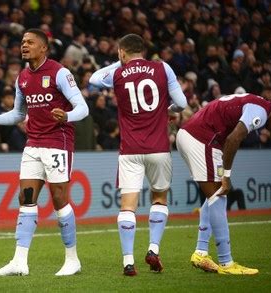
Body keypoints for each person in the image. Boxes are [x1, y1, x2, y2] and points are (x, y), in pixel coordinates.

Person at [0, 28, 89, 276]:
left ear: (43, 47)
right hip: (33, 144)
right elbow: (19, 115)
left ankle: (72, 259)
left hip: (58, 142)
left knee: (59, 199)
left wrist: (67, 115)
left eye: (30, 42)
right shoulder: (23, 78)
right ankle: (19, 262)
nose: (24, 45)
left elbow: (83, 108)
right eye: (22, 42)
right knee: (26, 198)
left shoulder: (60, 73)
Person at [89, 33, 187, 275]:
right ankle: (153, 249)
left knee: (127, 207)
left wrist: (120, 63)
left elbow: (93, 78)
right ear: (143, 50)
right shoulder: (163, 68)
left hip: (130, 151)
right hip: (159, 148)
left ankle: (128, 262)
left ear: (122, 52)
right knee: (159, 199)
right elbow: (182, 103)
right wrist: (168, 110)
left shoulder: (117, 73)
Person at [176, 93, 271, 275]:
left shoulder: (258, 103)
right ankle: (226, 263)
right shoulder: (261, 112)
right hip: (201, 139)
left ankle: (200, 253)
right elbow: (233, 139)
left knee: (215, 194)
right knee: (219, 195)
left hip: (195, 136)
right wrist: (227, 175)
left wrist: (223, 172)